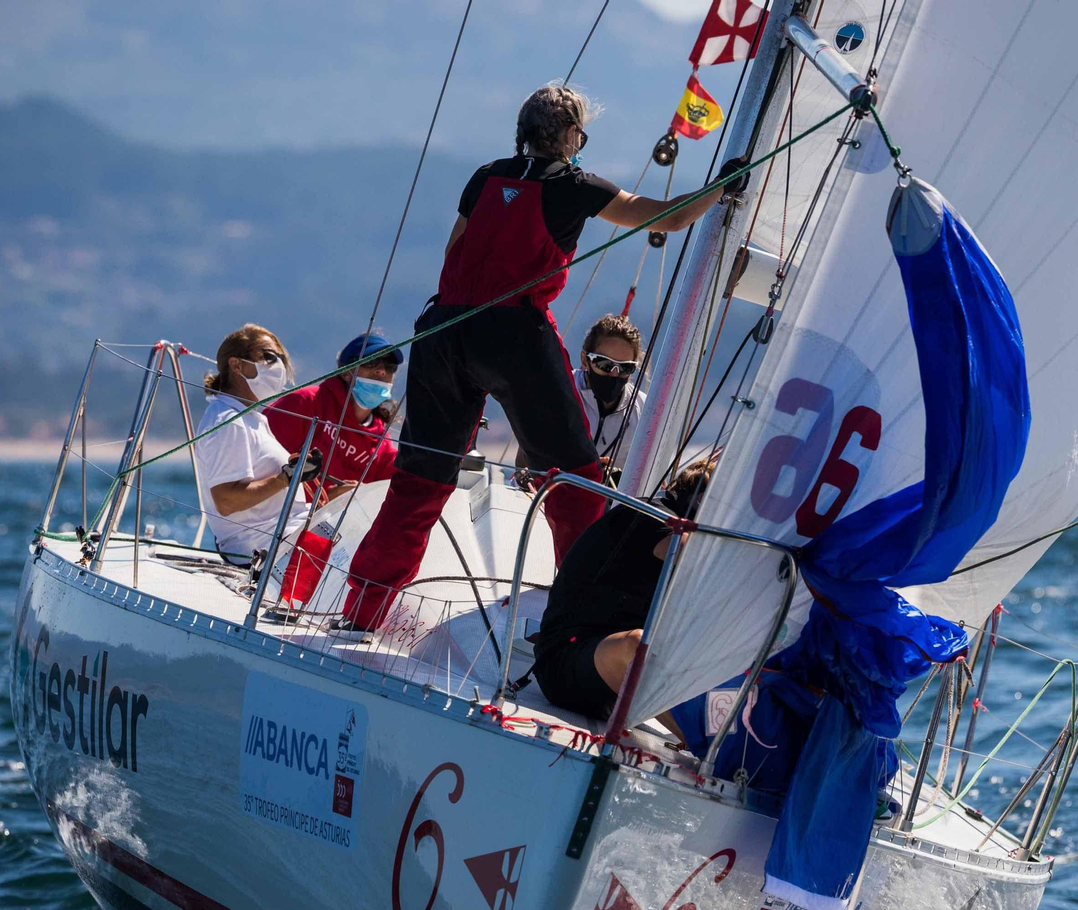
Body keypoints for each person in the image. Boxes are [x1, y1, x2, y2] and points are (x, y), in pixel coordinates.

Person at [339, 82, 750, 632]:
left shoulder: (485, 176)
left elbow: (453, 252)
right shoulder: (575, 185)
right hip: (514, 335)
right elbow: (667, 218)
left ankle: (360, 613)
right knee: (575, 484)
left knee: (419, 481)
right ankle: (580, 624)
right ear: (571, 135)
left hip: (443, 330)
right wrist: (721, 188)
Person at [532, 454, 717, 723]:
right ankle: (711, 749)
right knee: (636, 644)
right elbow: (691, 553)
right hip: (565, 665)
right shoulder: (652, 517)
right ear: (701, 502)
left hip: (611, 681)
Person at [193, 324, 323, 567]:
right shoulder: (228, 421)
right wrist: (286, 478)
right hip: (261, 551)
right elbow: (226, 501)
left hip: (282, 539)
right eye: (268, 356)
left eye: (281, 359)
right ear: (236, 365)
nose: (278, 367)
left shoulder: (248, 418)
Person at [516, 313, 646, 483]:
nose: (614, 374)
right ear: (585, 360)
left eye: (625, 368)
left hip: (615, 505)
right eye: (604, 364)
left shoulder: (645, 411)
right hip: (551, 495)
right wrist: (580, 468)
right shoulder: (556, 393)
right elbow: (524, 461)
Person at [266, 332, 401, 491]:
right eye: (372, 361)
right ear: (346, 372)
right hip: (277, 513)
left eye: (390, 366)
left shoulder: (382, 446)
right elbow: (259, 462)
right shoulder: (305, 403)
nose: (382, 371)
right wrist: (326, 502)